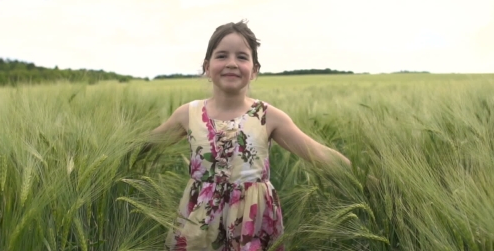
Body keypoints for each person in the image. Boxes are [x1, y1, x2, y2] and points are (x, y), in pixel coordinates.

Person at [151, 20, 352, 251]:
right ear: (207, 66)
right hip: (199, 227)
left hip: (252, 226)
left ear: (254, 70)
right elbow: (144, 145)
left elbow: (317, 153)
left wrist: (361, 175)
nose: (232, 64)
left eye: (242, 57)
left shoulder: (268, 116)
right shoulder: (188, 114)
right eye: (222, 56)